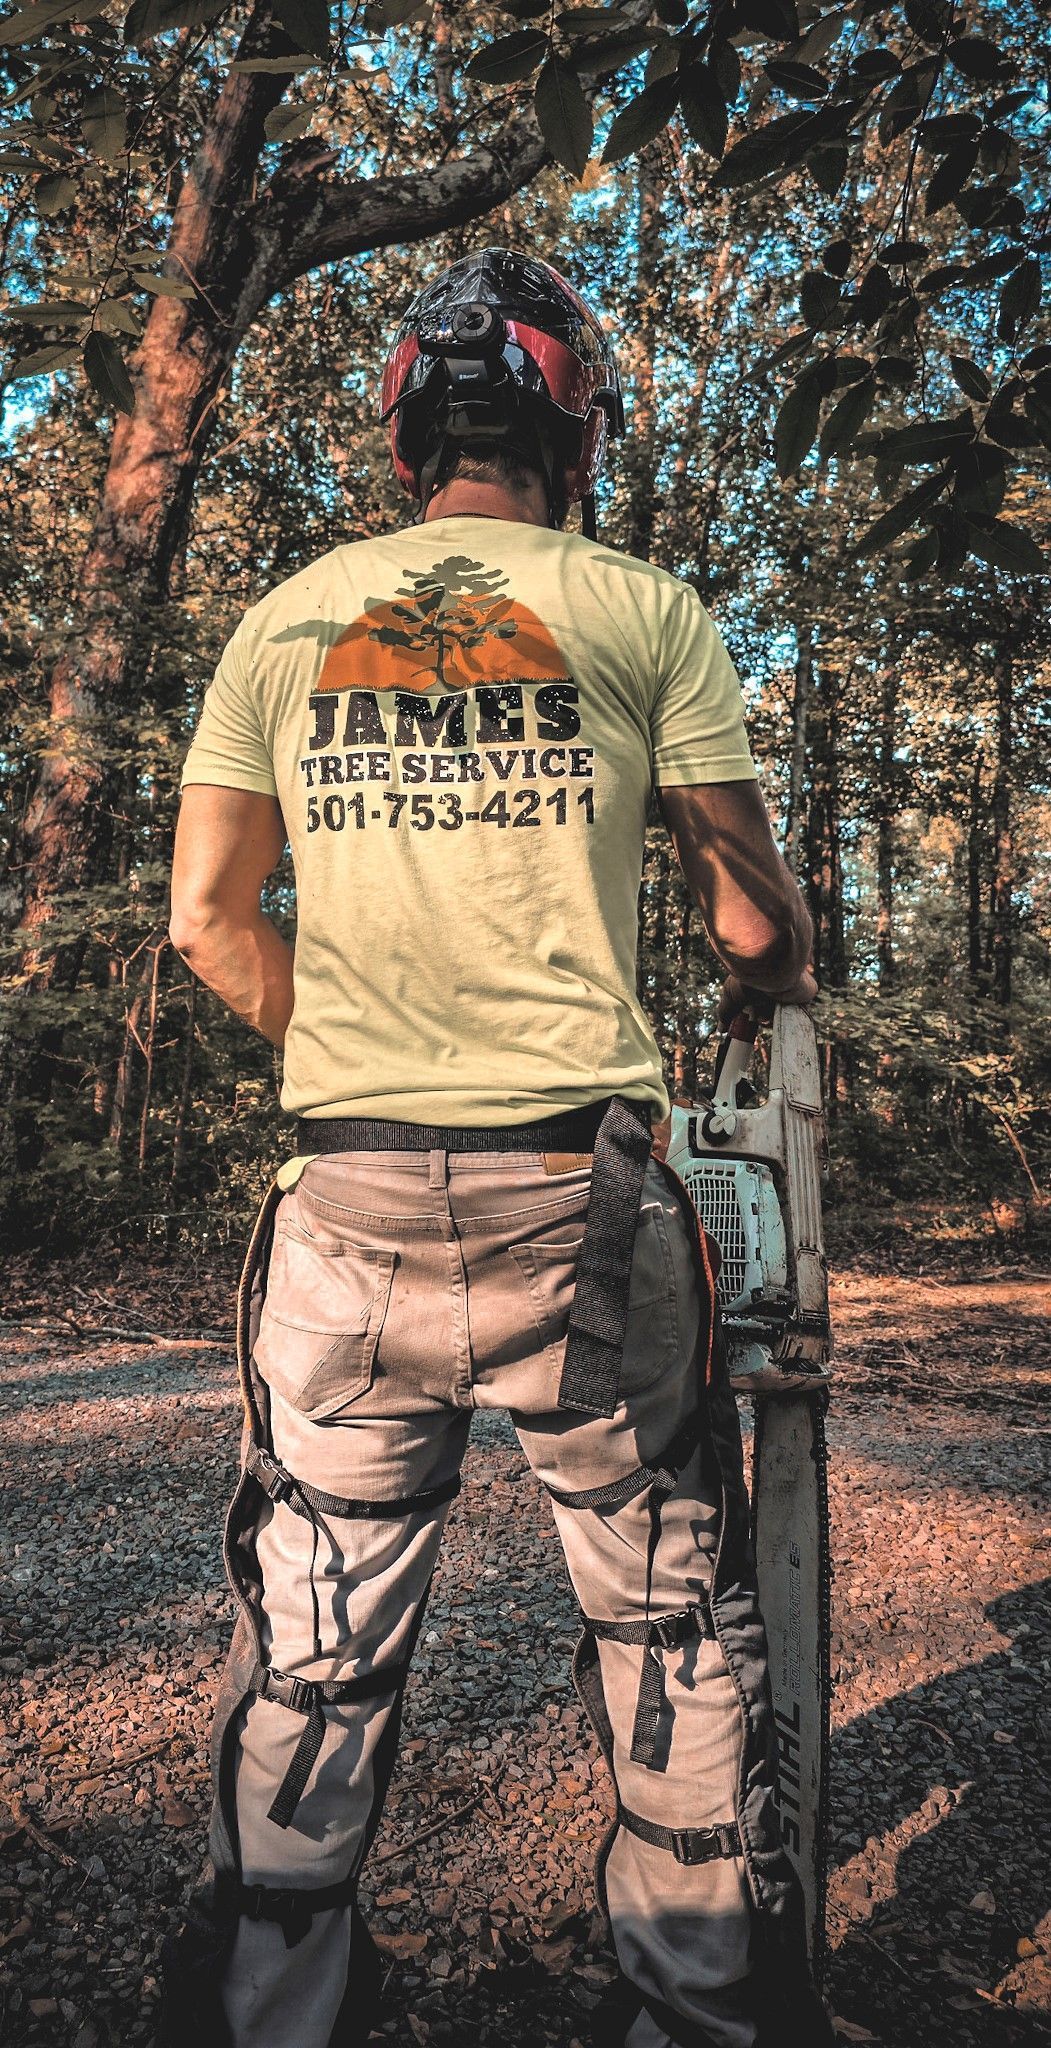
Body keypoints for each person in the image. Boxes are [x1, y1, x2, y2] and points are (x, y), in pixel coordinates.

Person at [164, 248, 830, 2048]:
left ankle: (273, 2002)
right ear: (573, 429)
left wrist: (377, 1057)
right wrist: (764, 916)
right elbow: (754, 930)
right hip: (583, 1209)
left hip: (350, 1199)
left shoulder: (283, 622)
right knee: (667, 1611)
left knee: (318, 1615)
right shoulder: (641, 609)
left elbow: (213, 923)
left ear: (407, 434)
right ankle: (694, 2006)